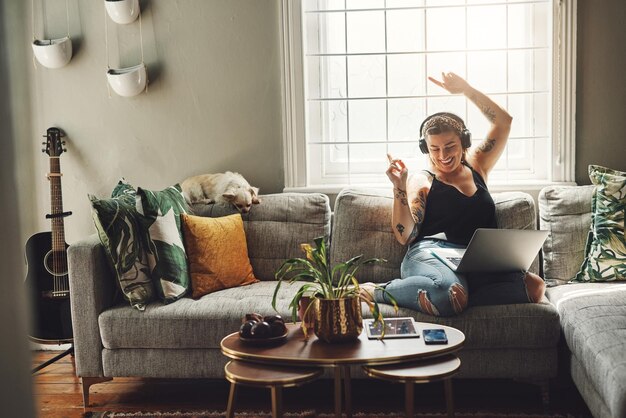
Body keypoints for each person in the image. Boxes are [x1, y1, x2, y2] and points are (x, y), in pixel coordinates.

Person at [362, 71, 546, 317]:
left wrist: (466, 89)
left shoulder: (478, 165)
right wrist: (399, 187)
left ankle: (459, 297)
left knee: (534, 287)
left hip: (476, 261)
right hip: (431, 253)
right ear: (425, 148)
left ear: (464, 143)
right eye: (434, 149)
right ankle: (378, 292)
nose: (442, 156)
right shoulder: (423, 180)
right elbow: (405, 236)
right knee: (451, 292)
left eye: (450, 147)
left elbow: (504, 122)